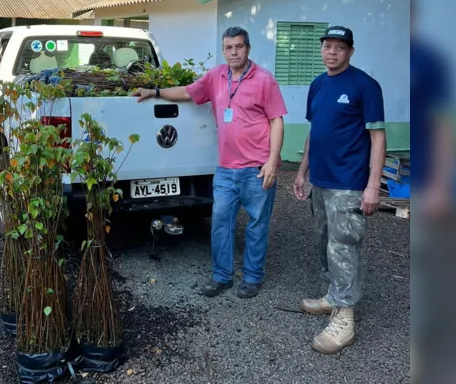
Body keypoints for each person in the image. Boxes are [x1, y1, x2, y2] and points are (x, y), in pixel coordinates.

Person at [132, 27, 287, 299]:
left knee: (257, 225)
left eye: (239, 46)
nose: (234, 52)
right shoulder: (216, 76)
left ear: (248, 48)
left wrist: (273, 161)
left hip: (257, 168)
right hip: (226, 169)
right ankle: (221, 277)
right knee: (220, 223)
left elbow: (276, 120)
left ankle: (252, 278)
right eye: (229, 47)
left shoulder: (264, 80)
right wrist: (154, 91)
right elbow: (188, 92)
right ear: (224, 50)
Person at [292, 25, 386, 354]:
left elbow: (377, 138)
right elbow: (314, 132)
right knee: (324, 243)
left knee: (344, 246)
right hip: (320, 179)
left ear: (350, 52)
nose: (331, 52)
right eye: (327, 46)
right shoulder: (318, 85)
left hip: (349, 183)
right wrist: (302, 170)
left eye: (339, 47)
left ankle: (345, 317)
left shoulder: (365, 86)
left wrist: (373, 185)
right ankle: (332, 295)